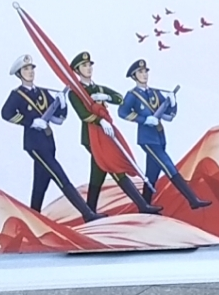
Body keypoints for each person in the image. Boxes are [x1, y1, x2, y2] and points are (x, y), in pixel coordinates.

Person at [0, 55, 100, 222]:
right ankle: (87, 214)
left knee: (40, 185)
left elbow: (58, 120)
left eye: (31, 68)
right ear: (19, 74)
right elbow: (6, 113)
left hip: (48, 142)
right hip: (34, 144)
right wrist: (31, 122)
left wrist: (63, 104)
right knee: (61, 177)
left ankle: (33, 219)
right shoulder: (17, 95)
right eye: (26, 69)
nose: (30, 72)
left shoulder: (43, 92)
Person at [68, 51, 161, 214]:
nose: (89, 68)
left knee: (98, 172)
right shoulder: (75, 92)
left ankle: (89, 212)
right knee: (114, 166)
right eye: (84, 66)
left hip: (106, 136)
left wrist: (105, 97)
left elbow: (119, 98)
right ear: (77, 70)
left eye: (89, 65)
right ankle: (142, 205)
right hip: (92, 137)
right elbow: (84, 115)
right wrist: (101, 120)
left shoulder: (98, 88)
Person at [118, 59, 211, 210]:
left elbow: (168, 116)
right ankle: (193, 200)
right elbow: (122, 112)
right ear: (134, 76)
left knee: (152, 174)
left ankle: (145, 206)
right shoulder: (132, 95)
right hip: (147, 138)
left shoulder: (155, 93)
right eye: (140, 72)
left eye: (145, 71)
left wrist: (173, 103)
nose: (144, 74)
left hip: (160, 137)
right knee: (168, 166)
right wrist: (144, 120)